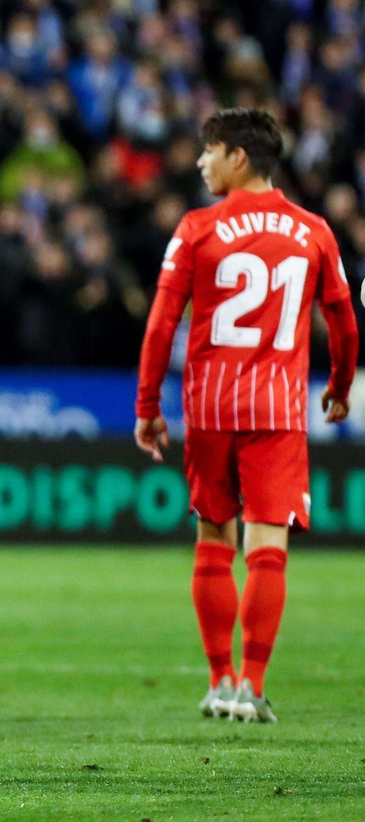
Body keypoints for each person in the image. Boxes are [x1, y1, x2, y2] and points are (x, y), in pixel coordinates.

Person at [135, 107, 357, 724]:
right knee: (268, 547)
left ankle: (218, 678)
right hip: (279, 411)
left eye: (208, 151)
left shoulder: (198, 227)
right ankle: (251, 686)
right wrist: (339, 386)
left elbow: (161, 324)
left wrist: (148, 406)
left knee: (213, 539)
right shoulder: (313, 230)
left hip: (209, 408)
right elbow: (342, 320)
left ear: (238, 157)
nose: (201, 161)